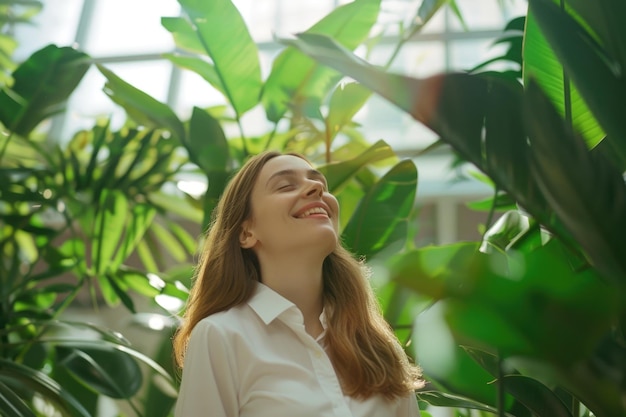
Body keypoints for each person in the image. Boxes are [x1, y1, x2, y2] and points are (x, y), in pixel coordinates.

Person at [173, 151, 424, 417]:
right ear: (247, 232)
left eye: (320, 184)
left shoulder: (376, 343)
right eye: (285, 186)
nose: (316, 188)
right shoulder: (221, 336)